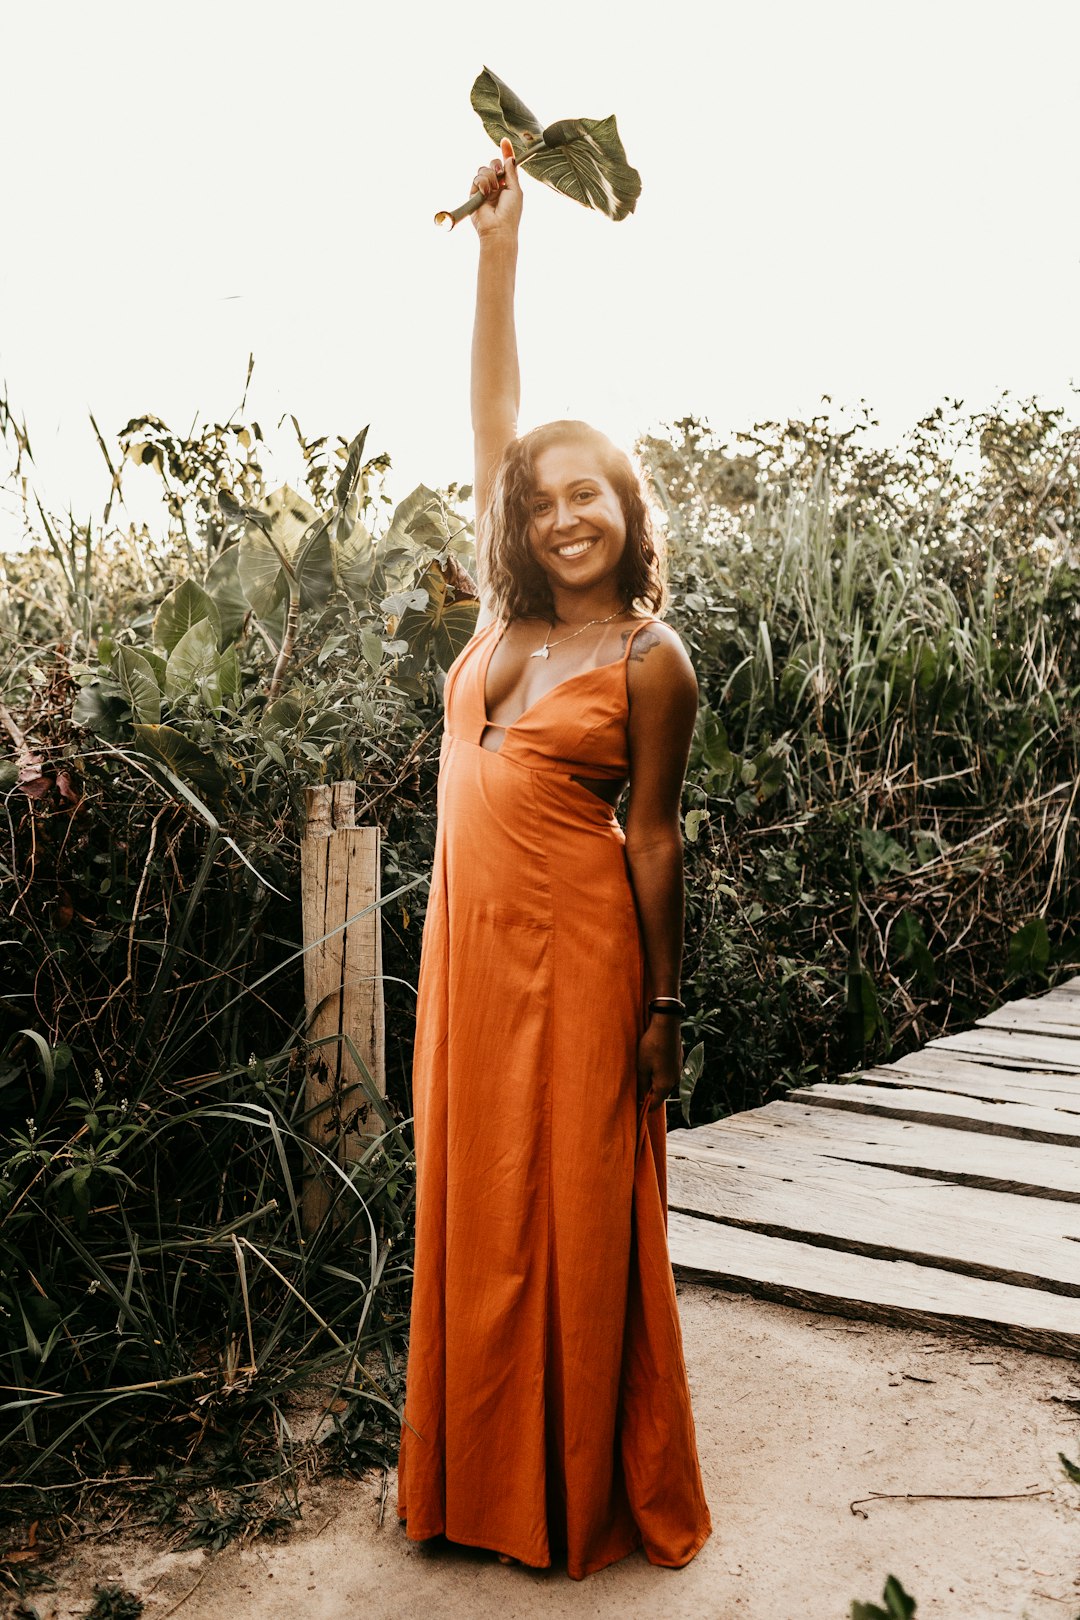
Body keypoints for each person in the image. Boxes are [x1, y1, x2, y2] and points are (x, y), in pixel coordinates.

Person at [396, 137, 711, 1580]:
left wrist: (662, 1009)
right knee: (478, 1199)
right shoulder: (503, 625)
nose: (566, 512)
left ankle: (574, 1492)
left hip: (585, 958)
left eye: (594, 493)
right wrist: (500, 253)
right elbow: (498, 419)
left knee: (574, 1206)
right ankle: (473, 1485)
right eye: (545, 499)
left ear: (630, 511)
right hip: (467, 954)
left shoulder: (653, 660)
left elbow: (651, 839)